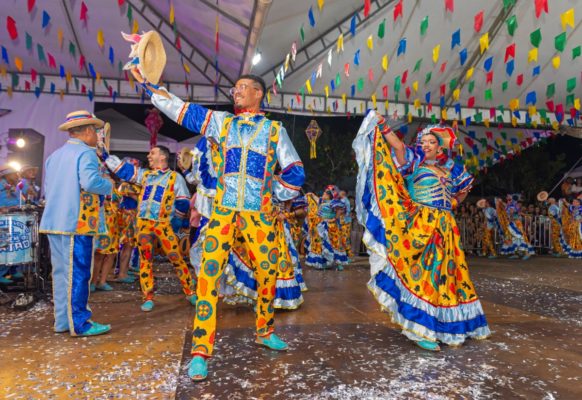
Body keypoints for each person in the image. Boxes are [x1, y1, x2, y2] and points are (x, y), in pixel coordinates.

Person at [133, 69, 305, 381]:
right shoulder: (220, 122)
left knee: (269, 271)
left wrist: (273, 194)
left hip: (259, 216)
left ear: (258, 94)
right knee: (208, 275)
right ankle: (200, 350)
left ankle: (264, 330)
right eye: (235, 87)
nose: (235, 92)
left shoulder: (275, 130)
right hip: (224, 213)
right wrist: (150, 87)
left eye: (243, 87)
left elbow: (294, 170)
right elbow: (182, 110)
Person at [353, 112, 491, 351]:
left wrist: (455, 203)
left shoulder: (450, 169)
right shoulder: (412, 161)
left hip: (446, 228)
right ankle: (420, 328)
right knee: (423, 276)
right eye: (423, 142)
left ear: (440, 147)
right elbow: (396, 145)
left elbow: (463, 189)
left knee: (446, 276)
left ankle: (445, 326)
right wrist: (383, 125)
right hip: (420, 226)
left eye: (431, 142)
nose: (426, 145)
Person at [39, 110, 113, 336]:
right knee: (79, 274)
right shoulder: (86, 153)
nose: (98, 136)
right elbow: (90, 182)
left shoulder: (55, 155)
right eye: (96, 132)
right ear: (89, 131)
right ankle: (80, 323)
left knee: (62, 274)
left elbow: (48, 189)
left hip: (54, 222)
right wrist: (108, 184)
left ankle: (63, 321)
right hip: (76, 223)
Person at [101, 145, 196, 312]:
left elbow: (183, 201)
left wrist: (176, 222)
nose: (149, 156)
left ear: (163, 157)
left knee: (176, 258)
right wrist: (105, 156)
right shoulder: (144, 175)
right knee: (145, 260)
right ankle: (148, 296)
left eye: (152, 153)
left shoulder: (175, 177)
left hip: (163, 224)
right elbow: (124, 170)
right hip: (144, 224)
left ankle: (189, 291)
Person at [495, 195, 535, 260]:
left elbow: (512, 213)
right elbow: (516, 212)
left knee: (520, 237)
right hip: (512, 223)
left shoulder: (512, 205)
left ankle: (527, 253)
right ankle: (515, 253)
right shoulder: (508, 205)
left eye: (509, 199)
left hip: (515, 223)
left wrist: (510, 218)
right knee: (511, 238)